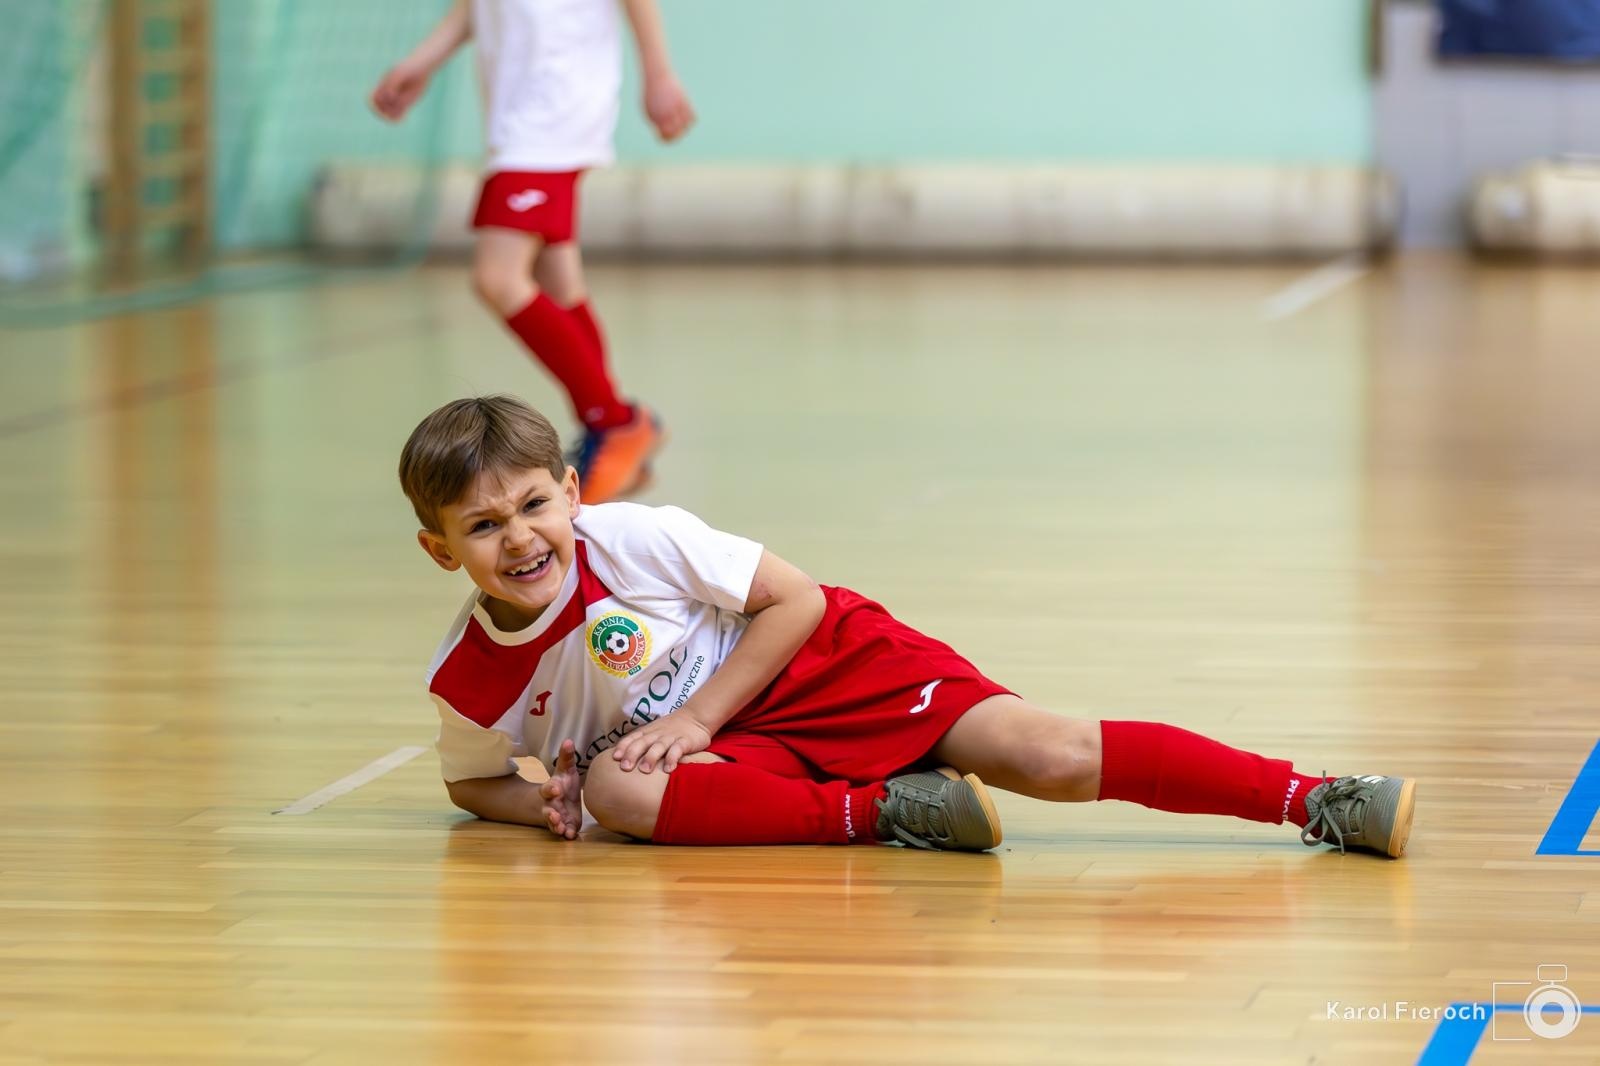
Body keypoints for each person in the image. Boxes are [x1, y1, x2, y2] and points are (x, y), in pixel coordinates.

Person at [400, 395, 1419, 857]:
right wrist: (545, 805)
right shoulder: (469, 676)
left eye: (535, 505)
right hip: (736, 743)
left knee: (1051, 756)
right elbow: (467, 779)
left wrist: (703, 718)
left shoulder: (636, 537)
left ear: (573, 492)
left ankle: (1312, 797)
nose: (521, 539)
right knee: (621, 788)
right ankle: (887, 812)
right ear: (442, 550)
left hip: (816, 662)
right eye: (482, 526)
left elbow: (792, 599)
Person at [372, 0, 693, 503]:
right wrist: (422, 62)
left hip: (552, 110)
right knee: (559, 283)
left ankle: (615, 421)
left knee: (498, 279)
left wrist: (659, 74)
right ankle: (612, 425)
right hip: (523, 112)